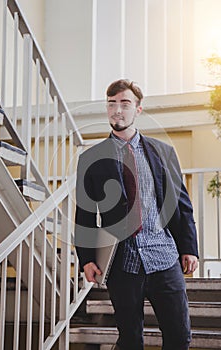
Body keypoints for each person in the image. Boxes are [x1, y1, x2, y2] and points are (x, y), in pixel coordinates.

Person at [75, 79, 199, 350]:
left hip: (164, 257)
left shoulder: (163, 152)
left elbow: (182, 204)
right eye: (111, 104)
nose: (117, 110)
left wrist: (189, 248)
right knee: (130, 340)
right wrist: (86, 259)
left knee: (180, 336)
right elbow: (85, 215)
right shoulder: (91, 159)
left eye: (124, 103)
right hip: (123, 263)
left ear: (138, 110)